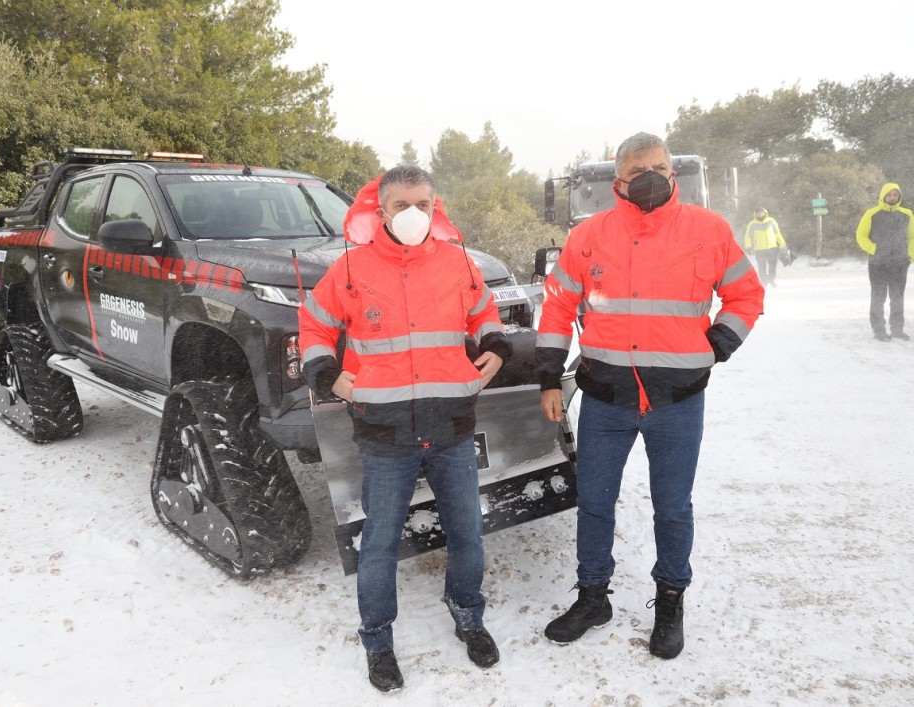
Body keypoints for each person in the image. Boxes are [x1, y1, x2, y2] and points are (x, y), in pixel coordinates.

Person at [535, 133, 765, 660]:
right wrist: (550, 376)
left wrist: (717, 344)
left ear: (673, 173)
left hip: (677, 401)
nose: (651, 176)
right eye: (639, 168)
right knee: (594, 504)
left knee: (672, 508)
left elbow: (746, 294)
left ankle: (669, 603)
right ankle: (593, 598)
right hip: (606, 399)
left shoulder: (708, 230)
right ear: (618, 178)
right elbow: (555, 307)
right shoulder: (588, 236)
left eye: (660, 167)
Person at [298, 165, 510, 692]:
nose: (413, 214)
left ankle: (467, 613)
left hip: (452, 428)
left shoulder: (459, 261)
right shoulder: (350, 269)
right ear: (381, 211)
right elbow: (314, 322)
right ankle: (377, 639)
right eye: (400, 205)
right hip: (384, 434)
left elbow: (485, 311)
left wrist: (495, 346)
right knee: (379, 545)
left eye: (423, 204)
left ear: (436, 209)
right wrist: (326, 373)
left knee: (468, 534)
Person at [855, 183, 914, 341]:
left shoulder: (907, 214)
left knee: (897, 298)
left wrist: (909, 256)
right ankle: (879, 330)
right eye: (890, 195)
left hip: (900, 263)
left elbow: (911, 237)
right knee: (878, 297)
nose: (893, 197)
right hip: (878, 263)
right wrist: (874, 249)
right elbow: (861, 235)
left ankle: (897, 329)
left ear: (899, 197)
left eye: (895, 195)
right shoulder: (872, 214)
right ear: (883, 196)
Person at [743, 207, 787, 287]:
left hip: (772, 248)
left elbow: (777, 234)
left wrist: (782, 244)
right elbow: (748, 236)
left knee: (772, 265)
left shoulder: (771, 221)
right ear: (755, 214)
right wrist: (748, 246)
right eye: (758, 213)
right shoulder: (752, 224)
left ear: (765, 213)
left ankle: (771, 279)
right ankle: (764, 282)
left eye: (761, 213)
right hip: (760, 249)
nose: (759, 214)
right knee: (761, 267)